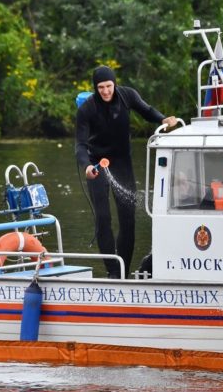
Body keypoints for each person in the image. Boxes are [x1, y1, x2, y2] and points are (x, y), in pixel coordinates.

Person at [76, 65, 180, 278]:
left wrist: (162, 119)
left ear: (114, 83)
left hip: (122, 162)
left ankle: (123, 270)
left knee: (128, 220)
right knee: (103, 218)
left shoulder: (127, 95)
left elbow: (147, 110)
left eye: (109, 86)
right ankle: (113, 272)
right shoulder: (87, 108)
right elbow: (80, 144)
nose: (105, 91)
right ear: (95, 88)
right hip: (97, 164)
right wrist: (86, 165)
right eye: (101, 87)